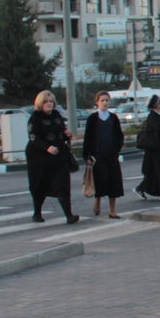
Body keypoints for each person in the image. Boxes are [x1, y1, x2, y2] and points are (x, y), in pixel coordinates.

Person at [26, 90, 79, 225]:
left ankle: (69, 215)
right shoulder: (35, 118)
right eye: (46, 102)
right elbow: (33, 137)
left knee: (63, 185)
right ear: (40, 103)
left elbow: (61, 132)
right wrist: (47, 147)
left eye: (51, 101)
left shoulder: (56, 115)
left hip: (58, 156)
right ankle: (37, 213)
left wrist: (67, 134)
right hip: (39, 158)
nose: (49, 104)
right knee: (39, 186)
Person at [83, 90, 125, 218]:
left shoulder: (113, 117)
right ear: (97, 102)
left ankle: (112, 210)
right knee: (100, 181)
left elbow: (119, 135)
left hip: (111, 156)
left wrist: (117, 149)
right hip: (98, 156)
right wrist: (88, 155)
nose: (105, 103)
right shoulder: (92, 118)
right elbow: (88, 138)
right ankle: (98, 202)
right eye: (102, 100)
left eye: (107, 100)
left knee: (114, 183)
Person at [136, 95, 160, 201]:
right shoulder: (152, 116)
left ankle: (141, 188)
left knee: (154, 172)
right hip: (153, 149)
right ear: (156, 104)